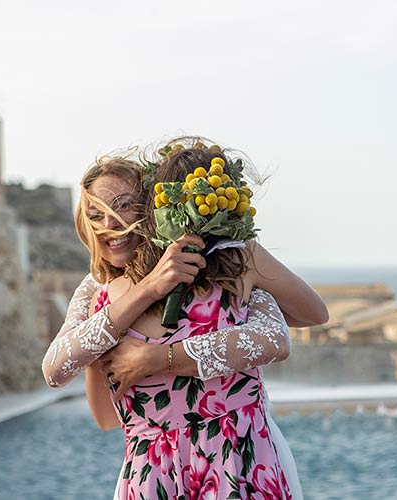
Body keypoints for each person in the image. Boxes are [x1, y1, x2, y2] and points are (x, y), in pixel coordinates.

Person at [41, 147, 327, 499]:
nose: (110, 224)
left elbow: (279, 338)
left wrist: (156, 359)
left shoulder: (234, 262)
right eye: (96, 214)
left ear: (154, 205)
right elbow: (80, 393)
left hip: (240, 465)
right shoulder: (98, 295)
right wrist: (148, 290)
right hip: (154, 475)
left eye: (124, 206)